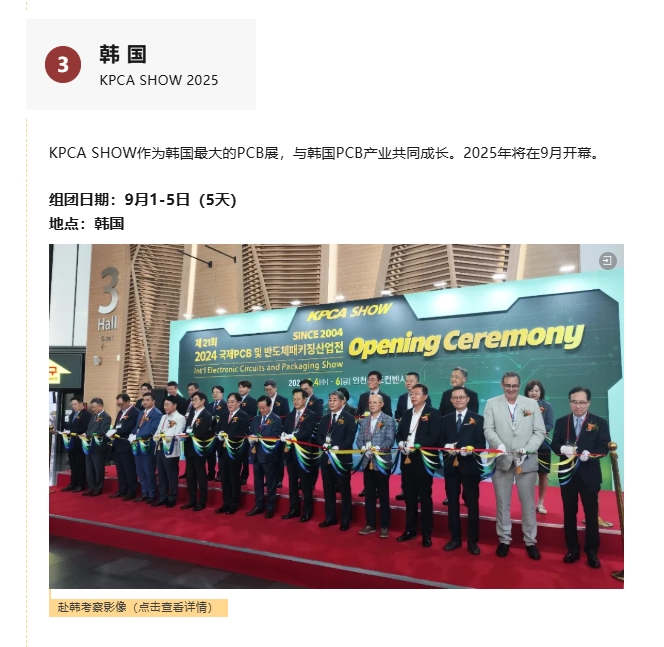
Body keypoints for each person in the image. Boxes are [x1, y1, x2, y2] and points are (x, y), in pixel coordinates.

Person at [484, 371, 545, 560]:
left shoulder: (531, 404)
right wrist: (499, 445)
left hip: (526, 461)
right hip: (502, 460)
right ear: (502, 385)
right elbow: (488, 429)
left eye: (515, 386)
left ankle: (530, 541)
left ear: (519, 386)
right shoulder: (492, 403)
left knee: (528, 504)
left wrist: (527, 449)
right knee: (502, 503)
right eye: (508, 385)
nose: (511, 389)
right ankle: (504, 539)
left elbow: (539, 431)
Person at [551, 387, 611, 569]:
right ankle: (572, 549)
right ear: (570, 402)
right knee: (569, 513)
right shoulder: (562, 422)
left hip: (589, 475)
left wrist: (590, 454)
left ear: (589, 403)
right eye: (574, 402)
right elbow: (555, 444)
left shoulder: (599, 422)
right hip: (567, 475)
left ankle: (592, 552)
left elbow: (604, 447)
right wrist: (562, 449)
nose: (578, 406)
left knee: (591, 514)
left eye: (582, 402)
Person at [395, 384, 442, 547]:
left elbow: (434, 436)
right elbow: (399, 433)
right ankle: (410, 530)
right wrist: (401, 442)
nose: (413, 396)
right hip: (407, 458)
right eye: (411, 394)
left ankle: (426, 533)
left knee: (424, 496)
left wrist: (416, 445)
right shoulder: (406, 414)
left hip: (423, 459)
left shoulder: (433, 413)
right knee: (409, 496)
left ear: (425, 396)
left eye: (417, 393)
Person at [440, 386, 486, 555]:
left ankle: (473, 541)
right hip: (451, 467)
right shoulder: (445, 419)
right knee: (452, 503)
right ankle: (455, 538)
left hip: (470, 467)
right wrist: (446, 446)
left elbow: (481, 444)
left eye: (461, 397)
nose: (458, 400)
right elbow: (440, 440)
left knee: (472, 504)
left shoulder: (478, 419)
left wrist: (471, 449)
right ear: (451, 401)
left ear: (467, 399)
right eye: (455, 398)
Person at [356, 394, 397, 538]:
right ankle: (370, 524)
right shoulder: (364, 420)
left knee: (383, 495)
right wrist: (363, 449)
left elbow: (390, 439)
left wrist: (378, 449)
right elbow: (359, 439)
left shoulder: (388, 419)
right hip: (367, 461)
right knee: (369, 494)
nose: (372, 405)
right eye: (370, 403)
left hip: (381, 461)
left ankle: (385, 525)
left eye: (375, 402)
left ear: (381, 404)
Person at [317, 391, 356, 531]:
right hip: (326, 458)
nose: (331, 402)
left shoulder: (349, 418)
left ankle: (345, 519)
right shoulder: (325, 419)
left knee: (344, 490)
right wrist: (323, 444)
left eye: (334, 400)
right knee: (328, 489)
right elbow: (319, 435)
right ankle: (330, 517)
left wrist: (338, 447)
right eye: (330, 400)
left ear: (342, 402)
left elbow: (350, 438)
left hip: (341, 459)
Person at [281, 388, 318, 522]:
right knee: (292, 483)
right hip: (290, 453)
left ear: (305, 400)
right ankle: (294, 509)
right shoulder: (290, 415)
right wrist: (284, 435)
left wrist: (294, 436)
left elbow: (307, 432)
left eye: (298, 399)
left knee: (305, 484)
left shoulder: (311, 415)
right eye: (294, 399)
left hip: (303, 454)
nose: (296, 401)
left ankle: (307, 511)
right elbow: (285, 429)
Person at [394, 372, 431, 501]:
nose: (408, 383)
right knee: (405, 468)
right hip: (405, 440)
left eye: (411, 380)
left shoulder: (426, 400)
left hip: (420, 443)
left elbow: (429, 418)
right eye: (407, 380)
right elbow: (398, 413)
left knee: (421, 474)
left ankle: (421, 493)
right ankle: (405, 490)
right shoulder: (402, 398)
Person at [246, 396, 283, 518]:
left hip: (269, 456)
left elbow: (275, 436)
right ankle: (259, 505)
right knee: (257, 482)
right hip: (256, 455)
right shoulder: (256, 419)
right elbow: (251, 431)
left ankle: (270, 507)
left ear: (269, 406)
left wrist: (260, 438)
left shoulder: (276, 419)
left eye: (263, 408)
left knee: (271, 483)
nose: (261, 410)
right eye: (259, 408)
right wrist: (251, 438)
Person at [215, 392, 251, 515]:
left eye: (232, 402)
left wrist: (228, 435)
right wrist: (220, 434)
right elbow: (217, 428)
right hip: (223, 451)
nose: (229, 404)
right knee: (224, 478)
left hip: (235, 451)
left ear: (239, 403)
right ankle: (225, 503)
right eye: (228, 402)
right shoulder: (224, 415)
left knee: (234, 478)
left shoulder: (243, 416)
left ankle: (234, 504)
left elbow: (242, 432)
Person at [524, 379, 554, 514]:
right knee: (527, 475)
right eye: (531, 390)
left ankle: (541, 503)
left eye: (537, 390)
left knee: (543, 475)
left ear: (541, 392)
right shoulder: (521, 405)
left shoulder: (547, 406)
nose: (534, 393)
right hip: (526, 445)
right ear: (527, 392)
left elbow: (550, 424)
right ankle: (528, 503)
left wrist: (538, 430)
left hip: (543, 445)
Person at [180, 391, 214, 511]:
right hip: (189, 447)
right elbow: (187, 428)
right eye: (192, 400)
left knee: (201, 475)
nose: (193, 402)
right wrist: (183, 434)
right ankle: (192, 500)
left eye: (195, 399)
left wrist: (189, 435)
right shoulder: (191, 414)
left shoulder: (207, 415)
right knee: (190, 476)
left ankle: (202, 501)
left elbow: (203, 431)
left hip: (199, 448)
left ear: (203, 401)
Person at [152, 395, 186, 508]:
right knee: (161, 474)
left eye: (168, 404)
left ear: (175, 405)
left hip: (171, 449)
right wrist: (157, 436)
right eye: (164, 405)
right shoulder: (163, 417)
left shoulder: (180, 418)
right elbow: (158, 431)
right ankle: (162, 497)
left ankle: (172, 497)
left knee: (171, 475)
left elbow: (177, 433)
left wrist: (163, 436)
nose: (165, 407)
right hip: (160, 447)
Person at [129, 392, 162, 503]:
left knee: (149, 471)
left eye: (148, 400)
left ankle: (152, 494)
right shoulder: (141, 413)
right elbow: (137, 427)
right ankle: (144, 493)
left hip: (148, 445)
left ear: (153, 401)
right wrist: (132, 434)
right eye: (143, 400)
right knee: (140, 471)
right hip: (137, 445)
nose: (145, 402)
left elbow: (152, 430)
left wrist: (136, 436)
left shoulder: (157, 413)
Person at [108, 394, 139, 500]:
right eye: (118, 404)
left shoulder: (135, 412)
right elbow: (116, 425)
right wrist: (113, 431)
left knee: (129, 470)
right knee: (120, 470)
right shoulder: (121, 412)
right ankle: (122, 490)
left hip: (126, 444)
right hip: (117, 444)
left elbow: (130, 427)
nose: (119, 406)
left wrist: (116, 431)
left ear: (128, 402)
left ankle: (131, 491)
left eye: (121, 404)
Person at [60, 398, 91, 492]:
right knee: (73, 464)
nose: (73, 406)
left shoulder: (86, 414)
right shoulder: (73, 414)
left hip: (79, 442)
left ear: (81, 403)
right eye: (72, 405)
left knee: (80, 464)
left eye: (75, 404)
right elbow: (69, 425)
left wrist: (72, 432)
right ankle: (73, 483)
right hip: (71, 442)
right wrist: (66, 430)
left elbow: (85, 428)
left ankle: (81, 484)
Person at [82, 398, 111, 496]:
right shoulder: (93, 416)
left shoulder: (106, 417)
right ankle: (91, 487)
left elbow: (103, 431)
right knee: (89, 468)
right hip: (88, 445)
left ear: (100, 406)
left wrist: (89, 435)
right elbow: (89, 429)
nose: (93, 409)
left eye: (94, 407)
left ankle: (98, 488)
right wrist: (85, 434)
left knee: (98, 468)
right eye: (92, 407)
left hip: (98, 446)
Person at [264, 379, 290, 488]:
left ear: (275, 388)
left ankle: (279, 479)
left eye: (270, 389)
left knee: (279, 458)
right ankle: (268, 479)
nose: (268, 392)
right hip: (266, 434)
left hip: (278, 434)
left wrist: (282, 431)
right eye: (266, 390)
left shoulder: (283, 400)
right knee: (267, 458)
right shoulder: (264, 400)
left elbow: (286, 417)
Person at [179, 382, 200, 479]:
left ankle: (195, 473)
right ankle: (188, 472)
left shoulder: (202, 401)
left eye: (192, 390)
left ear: (197, 390)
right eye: (189, 390)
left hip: (195, 432)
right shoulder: (187, 401)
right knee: (186, 453)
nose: (190, 392)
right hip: (186, 428)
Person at [238, 380, 258, 484]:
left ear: (249, 389)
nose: (241, 389)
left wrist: (240, 418)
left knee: (244, 455)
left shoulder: (252, 401)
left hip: (245, 431)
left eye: (243, 387)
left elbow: (253, 415)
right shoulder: (236, 399)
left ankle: (244, 476)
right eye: (240, 387)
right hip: (235, 431)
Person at [207, 385, 227, 481]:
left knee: (221, 455)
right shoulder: (209, 405)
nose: (215, 394)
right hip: (210, 434)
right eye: (213, 392)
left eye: (217, 392)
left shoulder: (226, 405)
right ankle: (211, 473)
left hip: (220, 434)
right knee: (210, 455)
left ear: (222, 393)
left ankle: (221, 474)